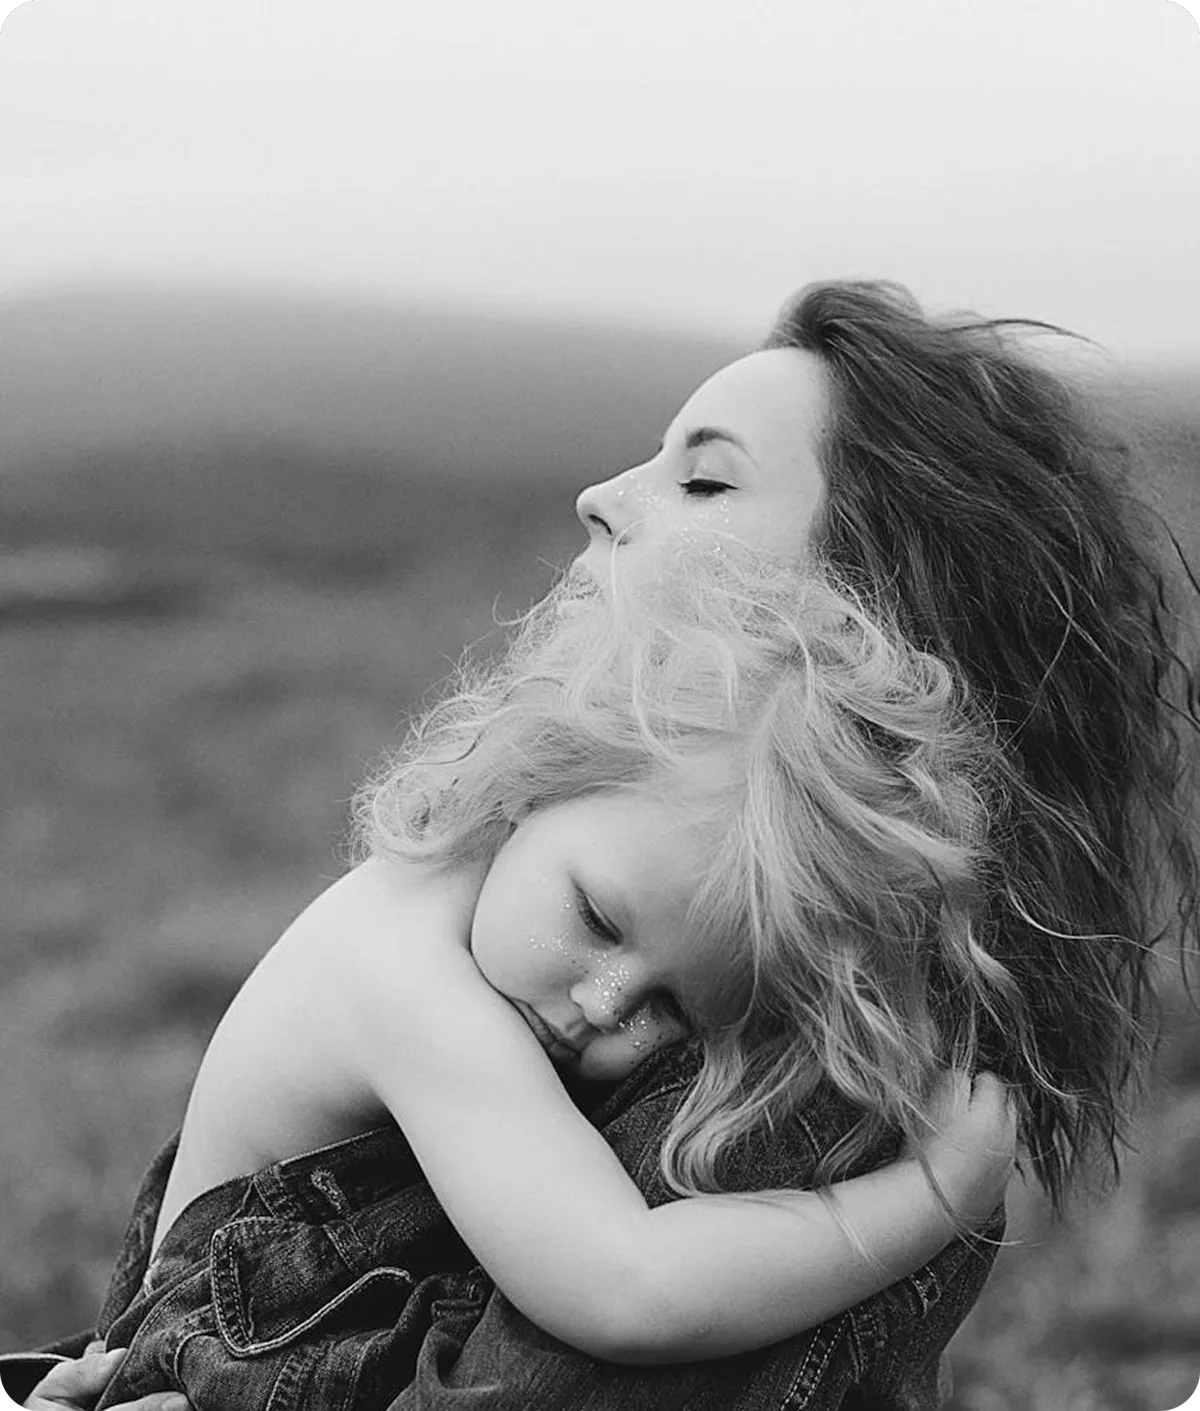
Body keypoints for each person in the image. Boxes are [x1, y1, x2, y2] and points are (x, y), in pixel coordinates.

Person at [23, 279, 1198, 1411]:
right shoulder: (411, 960)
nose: (598, 496)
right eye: (593, 917)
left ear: (868, 594)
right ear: (540, 774)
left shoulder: (710, 898)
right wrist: (923, 1197)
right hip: (237, 1342)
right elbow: (630, 1286)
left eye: (704, 479)